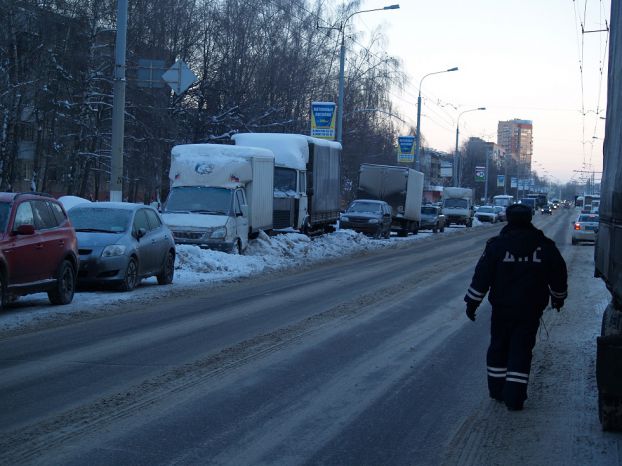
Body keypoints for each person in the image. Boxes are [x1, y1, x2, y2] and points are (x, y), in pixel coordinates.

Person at [464, 203, 568, 411]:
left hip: (502, 309)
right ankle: (515, 397)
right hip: (530, 310)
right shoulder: (545, 246)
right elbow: (558, 274)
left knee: (499, 347)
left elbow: (482, 276)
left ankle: (497, 390)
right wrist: (558, 298)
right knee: (521, 349)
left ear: (509, 219)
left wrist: (472, 303)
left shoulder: (496, 246)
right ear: (530, 218)